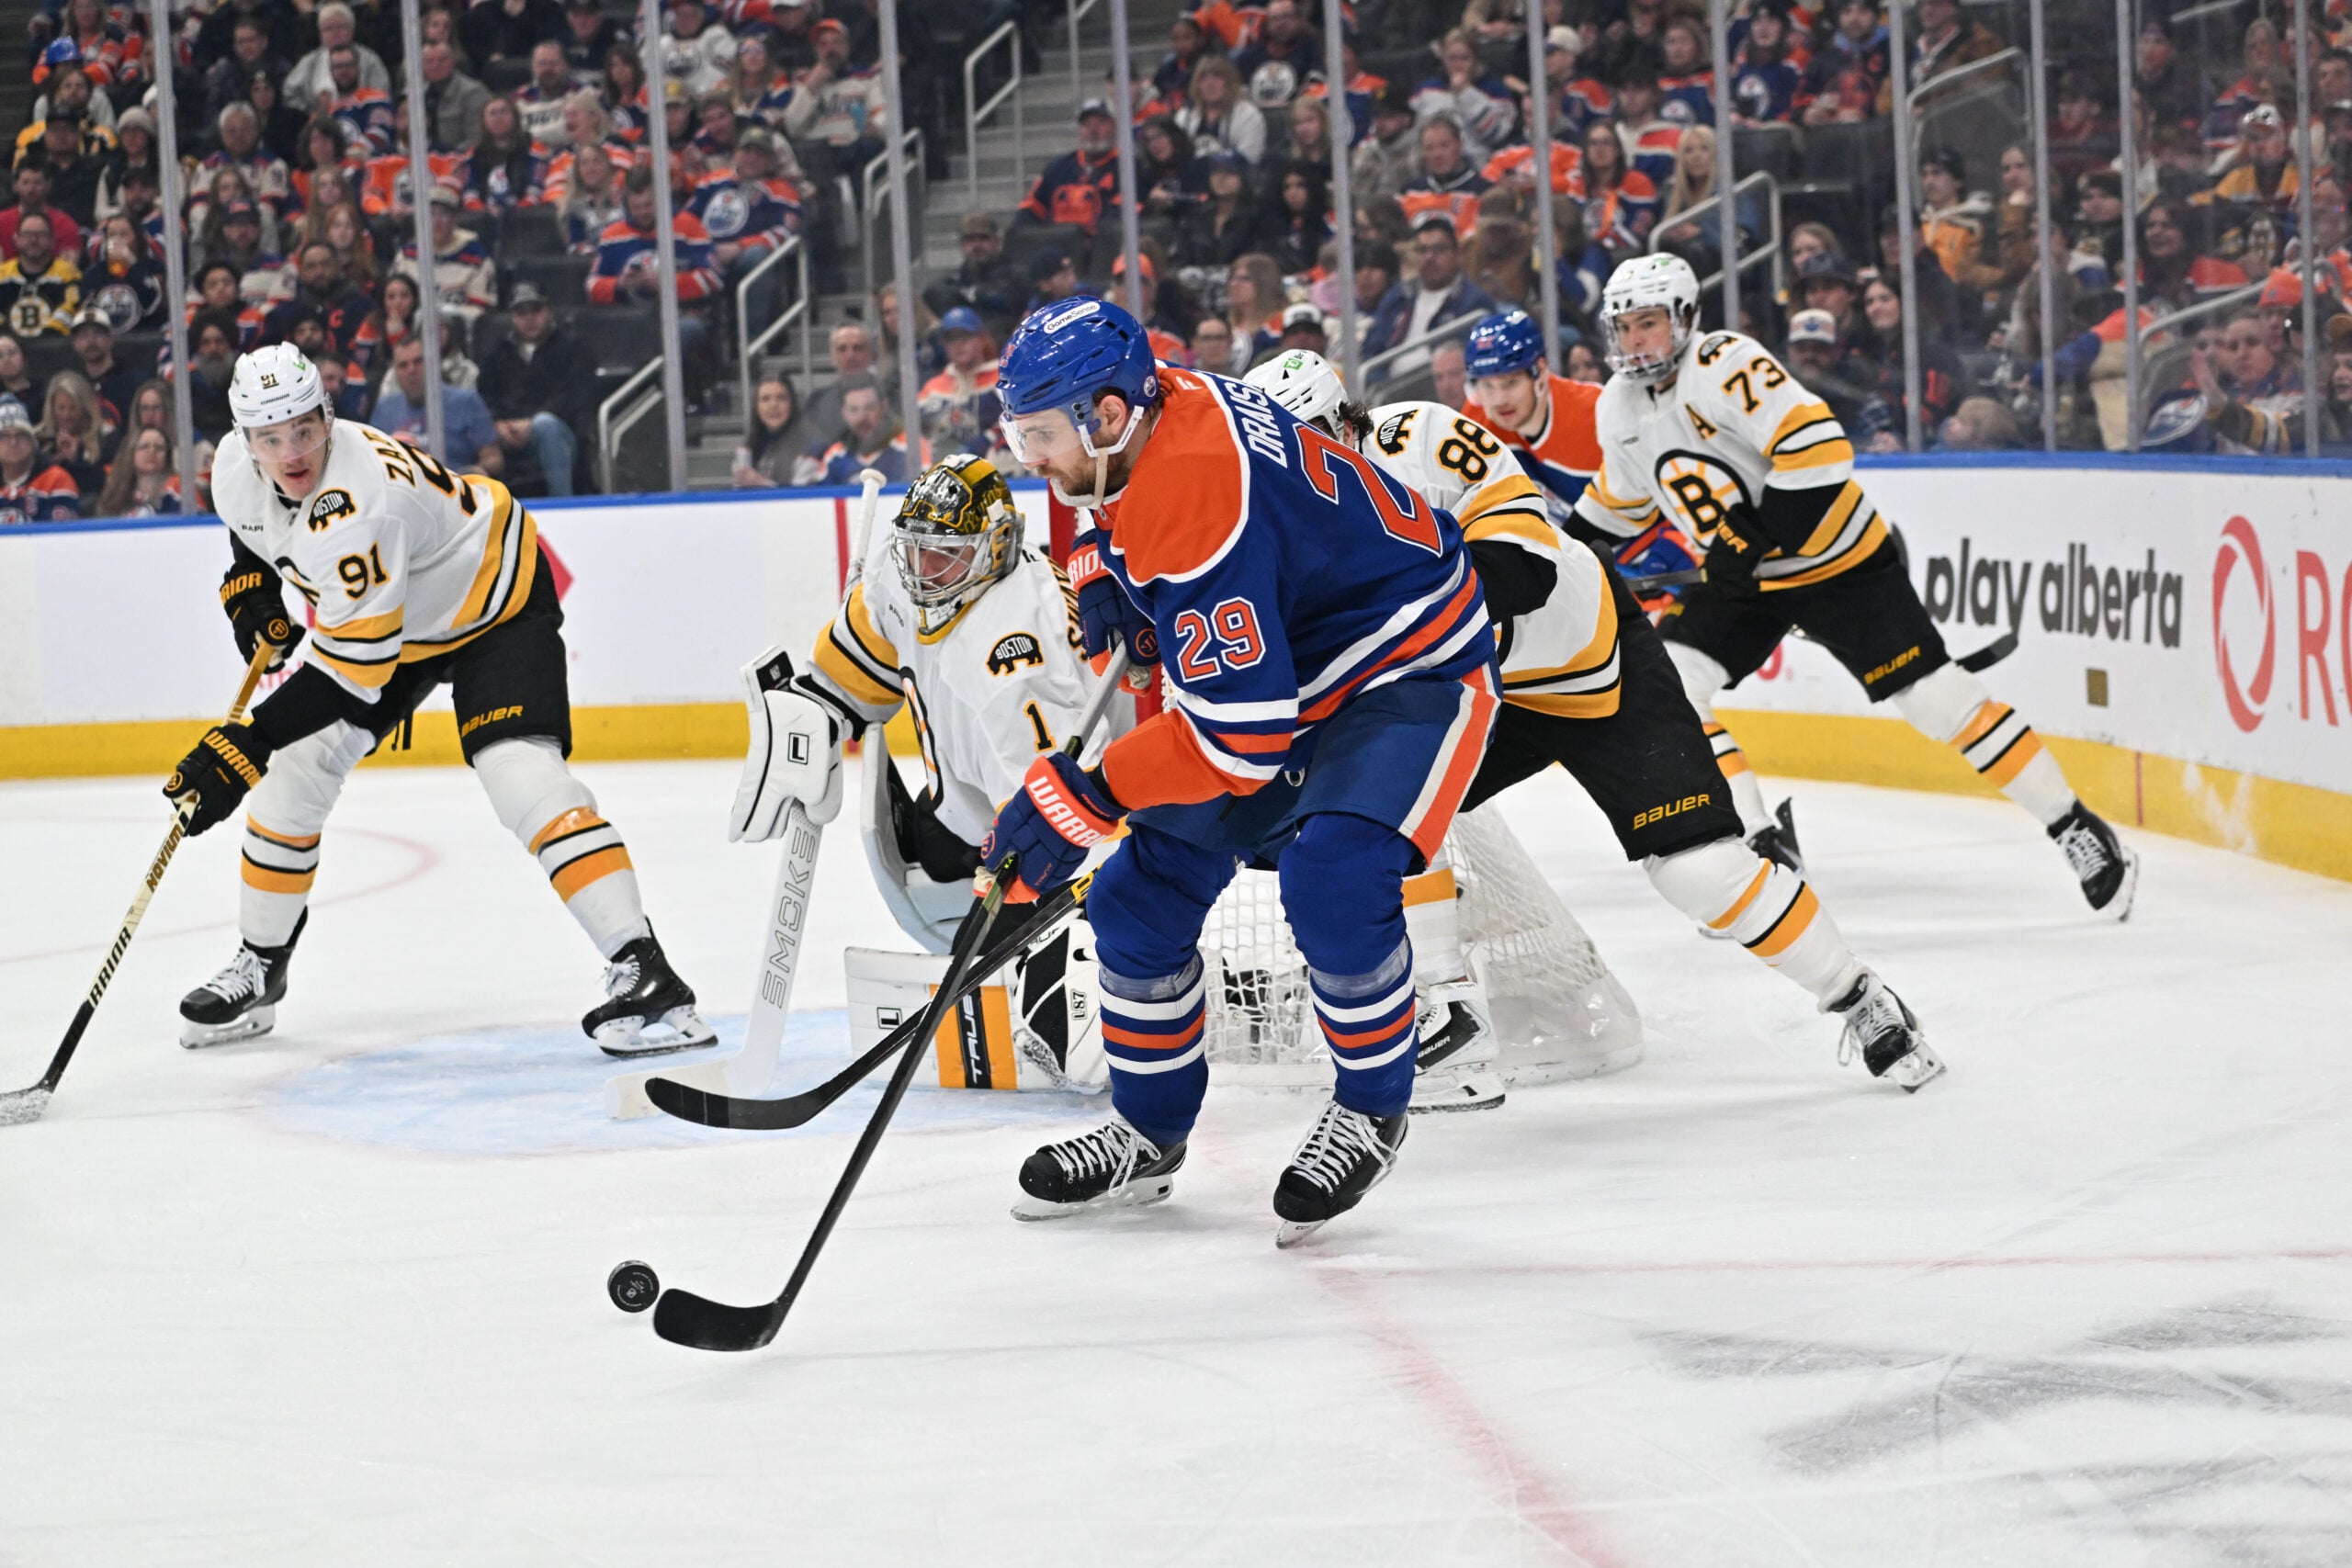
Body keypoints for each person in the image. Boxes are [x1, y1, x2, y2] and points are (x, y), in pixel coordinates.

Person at [1250, 345, 1942, 1090]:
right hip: (1472, 693)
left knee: (1699, 870)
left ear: (1344, 421)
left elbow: (1523, 567)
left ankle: (1856, 992)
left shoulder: (1421, 438)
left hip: (1592, 664)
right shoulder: (1282, 527)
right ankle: (1446, 1011)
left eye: (1311, 442)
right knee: (1372, 812)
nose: (1301, 472)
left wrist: (1389, 616)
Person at [986, 297, 1501, 1240]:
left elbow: (1239, 743)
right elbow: (1120, 505)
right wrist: (1105, 569)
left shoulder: (1193, 488)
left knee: (1334, 876)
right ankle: (1147, 1133)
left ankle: (1372, 1107)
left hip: (1405, 666)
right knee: (1135, 897)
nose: (1035, 461)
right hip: (1290, 659)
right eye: (1019, 436)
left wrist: (1084, 795)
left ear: (1105, 415)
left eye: (1045, 436)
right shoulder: (1155, 402)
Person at [167, 344, 711, 1054]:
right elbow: (252, 534)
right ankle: (262, 966)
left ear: (328, 415)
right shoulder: (238, 472)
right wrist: (250, 588)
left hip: (494, 600)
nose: (293, 450)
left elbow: (352, 672)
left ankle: (647, 972)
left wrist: (247, 742)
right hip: (398, 618)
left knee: (521, 775)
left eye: (304, 428)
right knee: (296, 773)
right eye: (271, 438)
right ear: (245, 441)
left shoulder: (362, 507)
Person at [1569, 254, 2138, 919]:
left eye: (1649, 322)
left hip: (1837, 559)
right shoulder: (1618, 406)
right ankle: (1762, 846)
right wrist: (1561, 552)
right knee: (1672, 687)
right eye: (1624, 326)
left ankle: (2074, 826)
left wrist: (1747, 542)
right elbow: (1621, 501)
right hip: (1744, 579)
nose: (1636, 339)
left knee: (1937, 700)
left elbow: (1818, 453)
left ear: (1685, 319)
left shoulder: (1725, 364)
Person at [730, 453, 1110, 984]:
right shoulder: (903, 566)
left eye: (943, 557)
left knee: (995, 958)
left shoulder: (1015, 660)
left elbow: (1065, 820)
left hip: (1051, 830)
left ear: (994, 549)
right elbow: (865, 648)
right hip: (960, 805)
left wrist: (1009, 914)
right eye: (917, 551)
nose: (923, 572)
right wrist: (820, 712)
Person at [587, 164, 718, 399]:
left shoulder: (688, 225)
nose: (643, 212)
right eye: (636, 207)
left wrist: (668, 284)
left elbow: (714, 278)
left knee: (679, 332)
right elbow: (592, 286)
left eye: (648, 205)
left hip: (682, 315)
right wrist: (619, 284)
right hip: (631, 321)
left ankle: (659, 397)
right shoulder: (613, 235)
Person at [475, 283, 593, 496]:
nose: (529, 318)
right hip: (507, 434)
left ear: (549, 311)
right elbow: (484, 395)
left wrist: (531, 423)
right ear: (513, 317)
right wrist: (497, 422)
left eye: (535, 310)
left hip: (562, 435)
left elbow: (574, 396)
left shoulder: (574, 346)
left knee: (545, 425)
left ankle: (563, 506)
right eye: (521, 312)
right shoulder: (498, 352)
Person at [1361, 213, 1494, 378]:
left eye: (1438, 250)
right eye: (1422, 250)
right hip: (1386, 389)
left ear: (1457, 255)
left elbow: (1468, 361)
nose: (1429, 257)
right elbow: (1372, 348)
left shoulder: (1474, 302)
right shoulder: (1398, 296)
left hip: (1436, 387)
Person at [369, 334, 502, 474]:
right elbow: (371, 463)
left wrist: (475, 472)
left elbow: (494, 458)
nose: (411, 370)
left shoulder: (467, 402)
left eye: (418, 362)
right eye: (403, 365)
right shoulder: (384, 408)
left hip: (454, 488)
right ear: (395, 371)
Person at [396, 186, 498, 325]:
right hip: (413, 331)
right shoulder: (407, 254)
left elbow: (482, 310)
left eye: (444, 214)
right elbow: (394, 302)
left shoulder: (476, 256)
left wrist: (446, 313)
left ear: (455, 219)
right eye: (430, 214)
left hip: (459, 332)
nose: (437, 221)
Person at [924, 211, 1025, 341]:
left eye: (983, 239)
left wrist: (975, 295)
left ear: (998, 242)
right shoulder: (953, 284)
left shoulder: (1018, 278)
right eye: (970, 240)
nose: (976, 245)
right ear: (962, 245)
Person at [917, 307, 1003, 459]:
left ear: (981, 339)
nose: (958, 344)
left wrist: (986, 440)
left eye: (965, 336)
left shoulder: (1002, 379)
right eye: (951, 339)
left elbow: (1020, 424)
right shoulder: (932, 389)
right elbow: (916, 434)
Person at [800, 373, 907, 484]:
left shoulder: (908, 447)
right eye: (853, 409)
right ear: (843, 412)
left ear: (884, 407)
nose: (862, 417)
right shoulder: (835, 456)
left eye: (869, 407)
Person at [0, 212, 83, 337]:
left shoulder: (68, 273)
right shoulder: (2, 274)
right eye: (27, 234)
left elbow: (72, 303)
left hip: (56, 348)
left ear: (52, 239)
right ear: (16, 239)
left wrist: (50, 332)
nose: (33, 240)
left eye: (40, 234)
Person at [0, 397, 80, 521]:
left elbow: (59, 535)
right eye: (4, 436)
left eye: (21, 435)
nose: (13, 442)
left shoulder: (56, 478)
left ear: (33, 442)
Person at [732, 373, 805, 486]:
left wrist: (761, 483)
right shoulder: (748, 448)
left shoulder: (807, 449)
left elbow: (803, 498)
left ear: (792, 404)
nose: (773, 405)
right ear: (756, 406)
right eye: (765, 399)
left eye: (781, 398)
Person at [95, 423, 183, 516]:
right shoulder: (115, 496)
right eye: (144, 447)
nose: (152, 451)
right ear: (130, 453)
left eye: (159, 447)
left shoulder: (178, 489)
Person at [69, 306, 140, 419]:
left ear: (111, 339)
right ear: (74, 343)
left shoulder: (134, 383)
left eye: (98, 333)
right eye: (84, 335)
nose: (91, 341)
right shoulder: (71, 385)